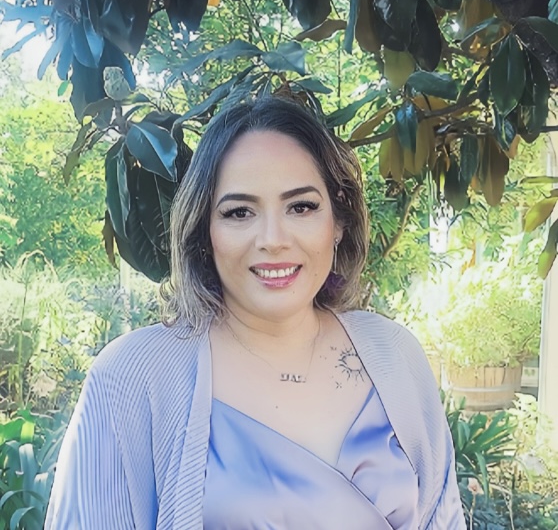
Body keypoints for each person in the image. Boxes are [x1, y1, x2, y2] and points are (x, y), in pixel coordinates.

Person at [45, 96, 466, 529]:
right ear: (204, 230)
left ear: (338, 221)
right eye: (239, 212)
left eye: (300, 206)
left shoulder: (394, 353)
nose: (273, 239)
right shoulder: (132, 377)